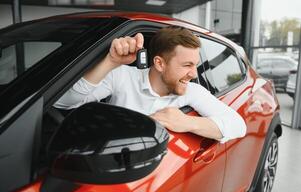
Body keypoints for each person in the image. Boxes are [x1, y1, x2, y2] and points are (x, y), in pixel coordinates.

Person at [55, 26, 246, 143]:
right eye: (187, 65)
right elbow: (64, 102)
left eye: (195, 65)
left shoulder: (192, 91)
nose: (194, 73)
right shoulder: (121, 76)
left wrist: (186, 122)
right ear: (159, 64)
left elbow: (238, 126)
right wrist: (110, 62)